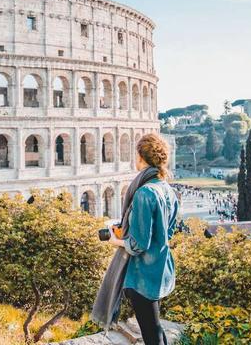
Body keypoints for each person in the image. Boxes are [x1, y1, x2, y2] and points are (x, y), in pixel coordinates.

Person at [103, 133, 179, 345]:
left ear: (142, 158)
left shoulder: (144, 193)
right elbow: (167, 232)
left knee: (151, 332)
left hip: (143, 275)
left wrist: (114, 240)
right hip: (161, 267)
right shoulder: (167, 190)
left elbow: (138, 244)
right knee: (153, 327)